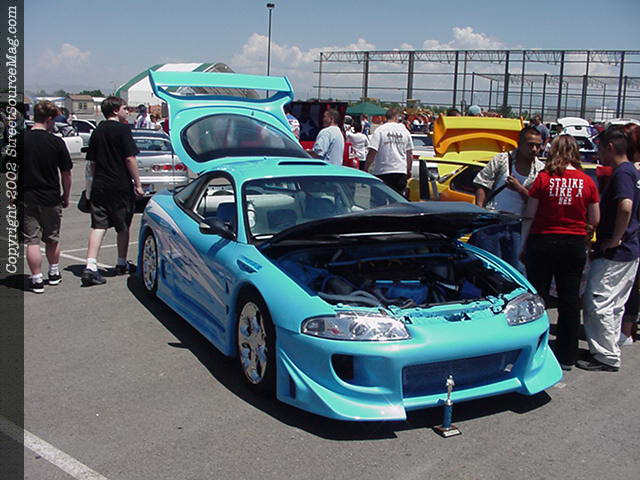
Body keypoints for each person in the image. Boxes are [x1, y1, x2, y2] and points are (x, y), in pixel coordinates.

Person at [520, 135, 600, 370]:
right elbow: (595, 218)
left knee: (538, 297)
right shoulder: (587, 181)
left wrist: (523, 244)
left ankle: (535, 348)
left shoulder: (543, 178)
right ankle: (567, 355)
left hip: (543, 240)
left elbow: (529, 214)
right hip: (573, 243)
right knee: (570, 299)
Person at [577, 126, 640, 371]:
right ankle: (610, 349)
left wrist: (614, 239)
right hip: (629, 250)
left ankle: (605, 356)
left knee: (597, 301)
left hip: (616, 253)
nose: (598, 154)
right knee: (614, 304)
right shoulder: (632, 172)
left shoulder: (622, 174)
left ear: (610, 147)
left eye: (600, 148)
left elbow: (625, 206)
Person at [82, 96, 143, 286]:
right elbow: (130, 158)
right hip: (119, 185)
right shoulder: (123, 130)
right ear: (116, 110)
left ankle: (90, 265)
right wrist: (138, 183)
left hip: (100, 185)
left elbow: (91, 162)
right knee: (122, 226)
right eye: (125, 108)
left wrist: (92, 183)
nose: (128, 111)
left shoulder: (97, 131)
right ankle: (121, 262)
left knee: (98, 226)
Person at [469, 126, 546, 270]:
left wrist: (519, 188)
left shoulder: (541, 170)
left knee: (515, 270)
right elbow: (482, 183)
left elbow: (537, 202)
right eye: (530, 145)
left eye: (538, 145)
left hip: (518, 226)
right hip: (492, 221)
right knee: (488, 268)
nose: (535, 149)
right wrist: (480, 211)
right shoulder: (502, 160)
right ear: (519, 144)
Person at [22, 101, 73, 293]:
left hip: (27, 196)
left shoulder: (21, 140)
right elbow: (66, 173)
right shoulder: (56, 142)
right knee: (52, 238)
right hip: (50, 196)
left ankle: (36, 278)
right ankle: (53, 272)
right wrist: (66, 195)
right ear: (49, 119)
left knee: (32, 240)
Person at [618, 122, 640, 346]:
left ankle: (626, 331)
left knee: (631, 286)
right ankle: (628, 330)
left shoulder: (629, 171)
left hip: (632, 235)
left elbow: (626, 207)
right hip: (634, 234)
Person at [365, 108, 414, 195]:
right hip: (400, 171)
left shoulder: (380, 130)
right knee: (398, 199)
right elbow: (409, 153)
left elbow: (372, 151)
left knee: (379, 200)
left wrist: (366, 168)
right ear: (396, 117)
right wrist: (408, 170)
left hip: (383, 171)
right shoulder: (405, 131)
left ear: (386, 117)